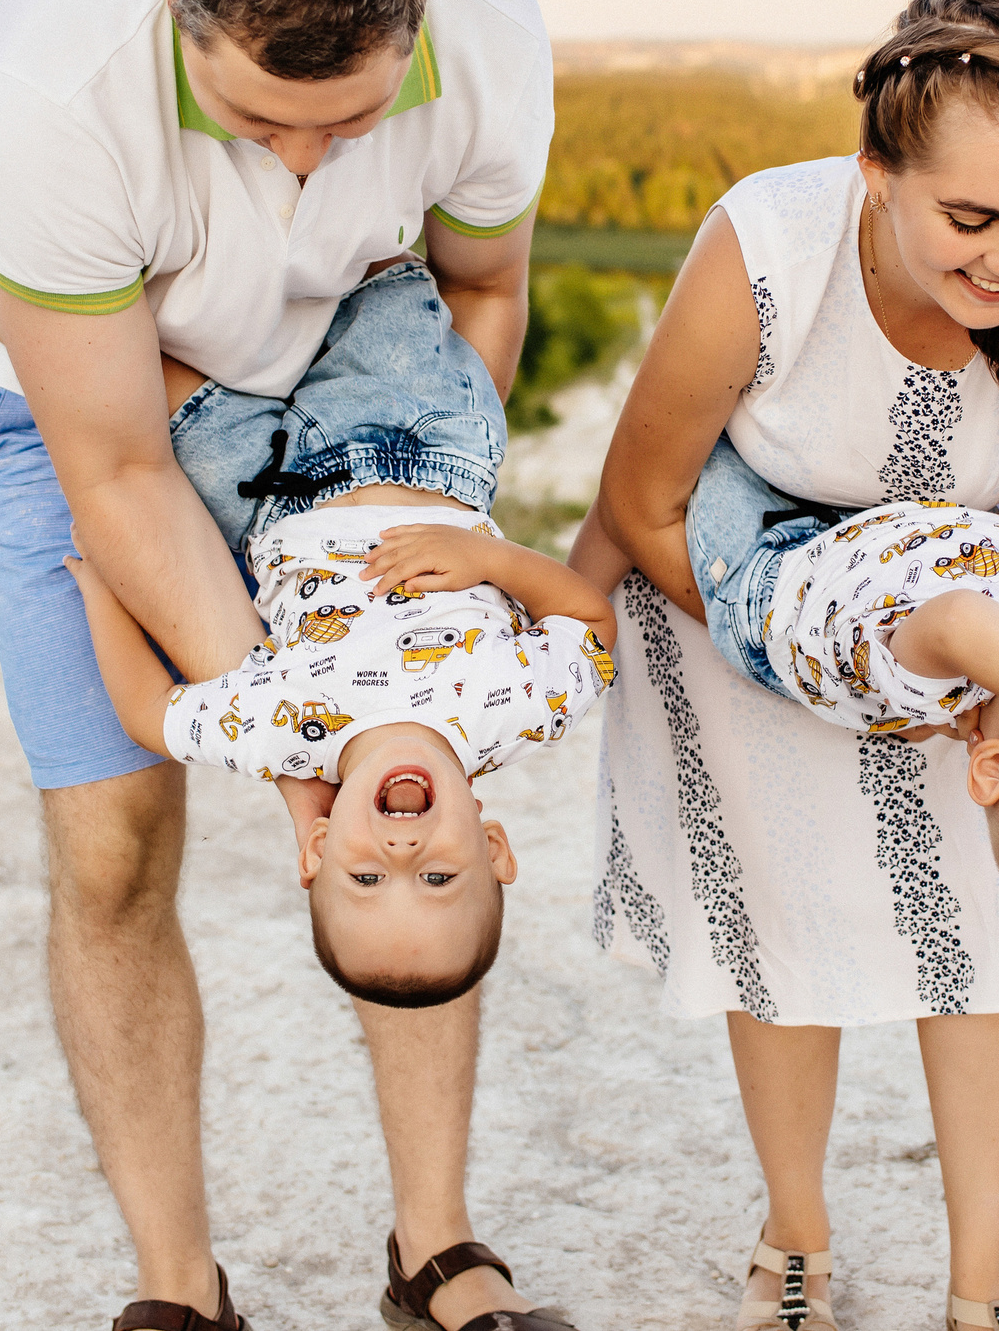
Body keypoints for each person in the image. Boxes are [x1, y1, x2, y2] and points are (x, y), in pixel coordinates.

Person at [0, 0, 560, 1331]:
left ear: (420, 16)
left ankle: (436, 1251)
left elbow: (485, 289)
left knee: (420, 785)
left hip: (357, 389)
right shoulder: (56, 83)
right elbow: (120, 472)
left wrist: (415, 496)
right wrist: (303, 742)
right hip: (98, 406)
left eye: (352, 117)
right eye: (263, 119)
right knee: (114, 847)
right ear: (172, 6)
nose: (311, 160)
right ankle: (178, 1288)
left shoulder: (496, 33)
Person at [581, 0, 999, 1331]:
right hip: (730, 577)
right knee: (785, 931)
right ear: (879, 173)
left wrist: (956, 690)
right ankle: (795, 1237)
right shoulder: (770, 247)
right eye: (972, 218)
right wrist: (801, 656)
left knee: (981, 931)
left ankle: (985, 1284)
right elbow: (645, 500)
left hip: (964, 604)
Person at [65, 257, 616, 1007]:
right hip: (419, 441)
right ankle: (344, 177)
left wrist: (100, 588)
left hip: (263, 487)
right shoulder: (517, 710)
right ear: (493, 849)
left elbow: (147, 711)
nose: (401, 850)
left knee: (117, 363)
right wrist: (489, 557)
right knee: (368, 264)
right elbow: (589, 621)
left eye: (365, 878)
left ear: (317, 850)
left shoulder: (285, 735)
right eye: (437, 877)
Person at [630, 439, 999, 916]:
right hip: (872, 529)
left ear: (992, 766)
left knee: (694, 436)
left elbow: (961, 620)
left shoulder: (941, 690)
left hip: (768, 561)